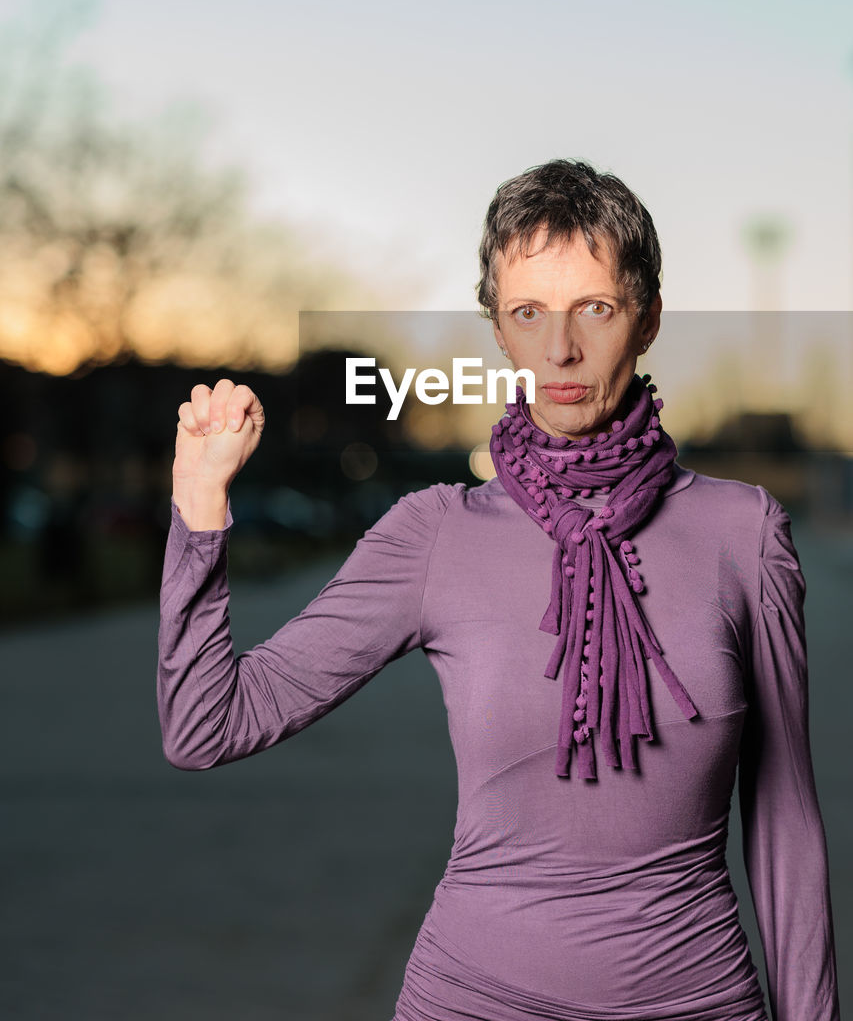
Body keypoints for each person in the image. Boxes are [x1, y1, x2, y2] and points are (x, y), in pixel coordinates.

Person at [157, 159, 840, 1021]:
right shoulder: (434, 532)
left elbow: (784, 828)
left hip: (698, 1000)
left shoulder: (742, 534)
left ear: (649, 317)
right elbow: (206, 725)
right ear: (499, 333)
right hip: (471, 999)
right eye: (527, 314)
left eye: (594, 307)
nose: (560, 348)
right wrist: (199, 506)